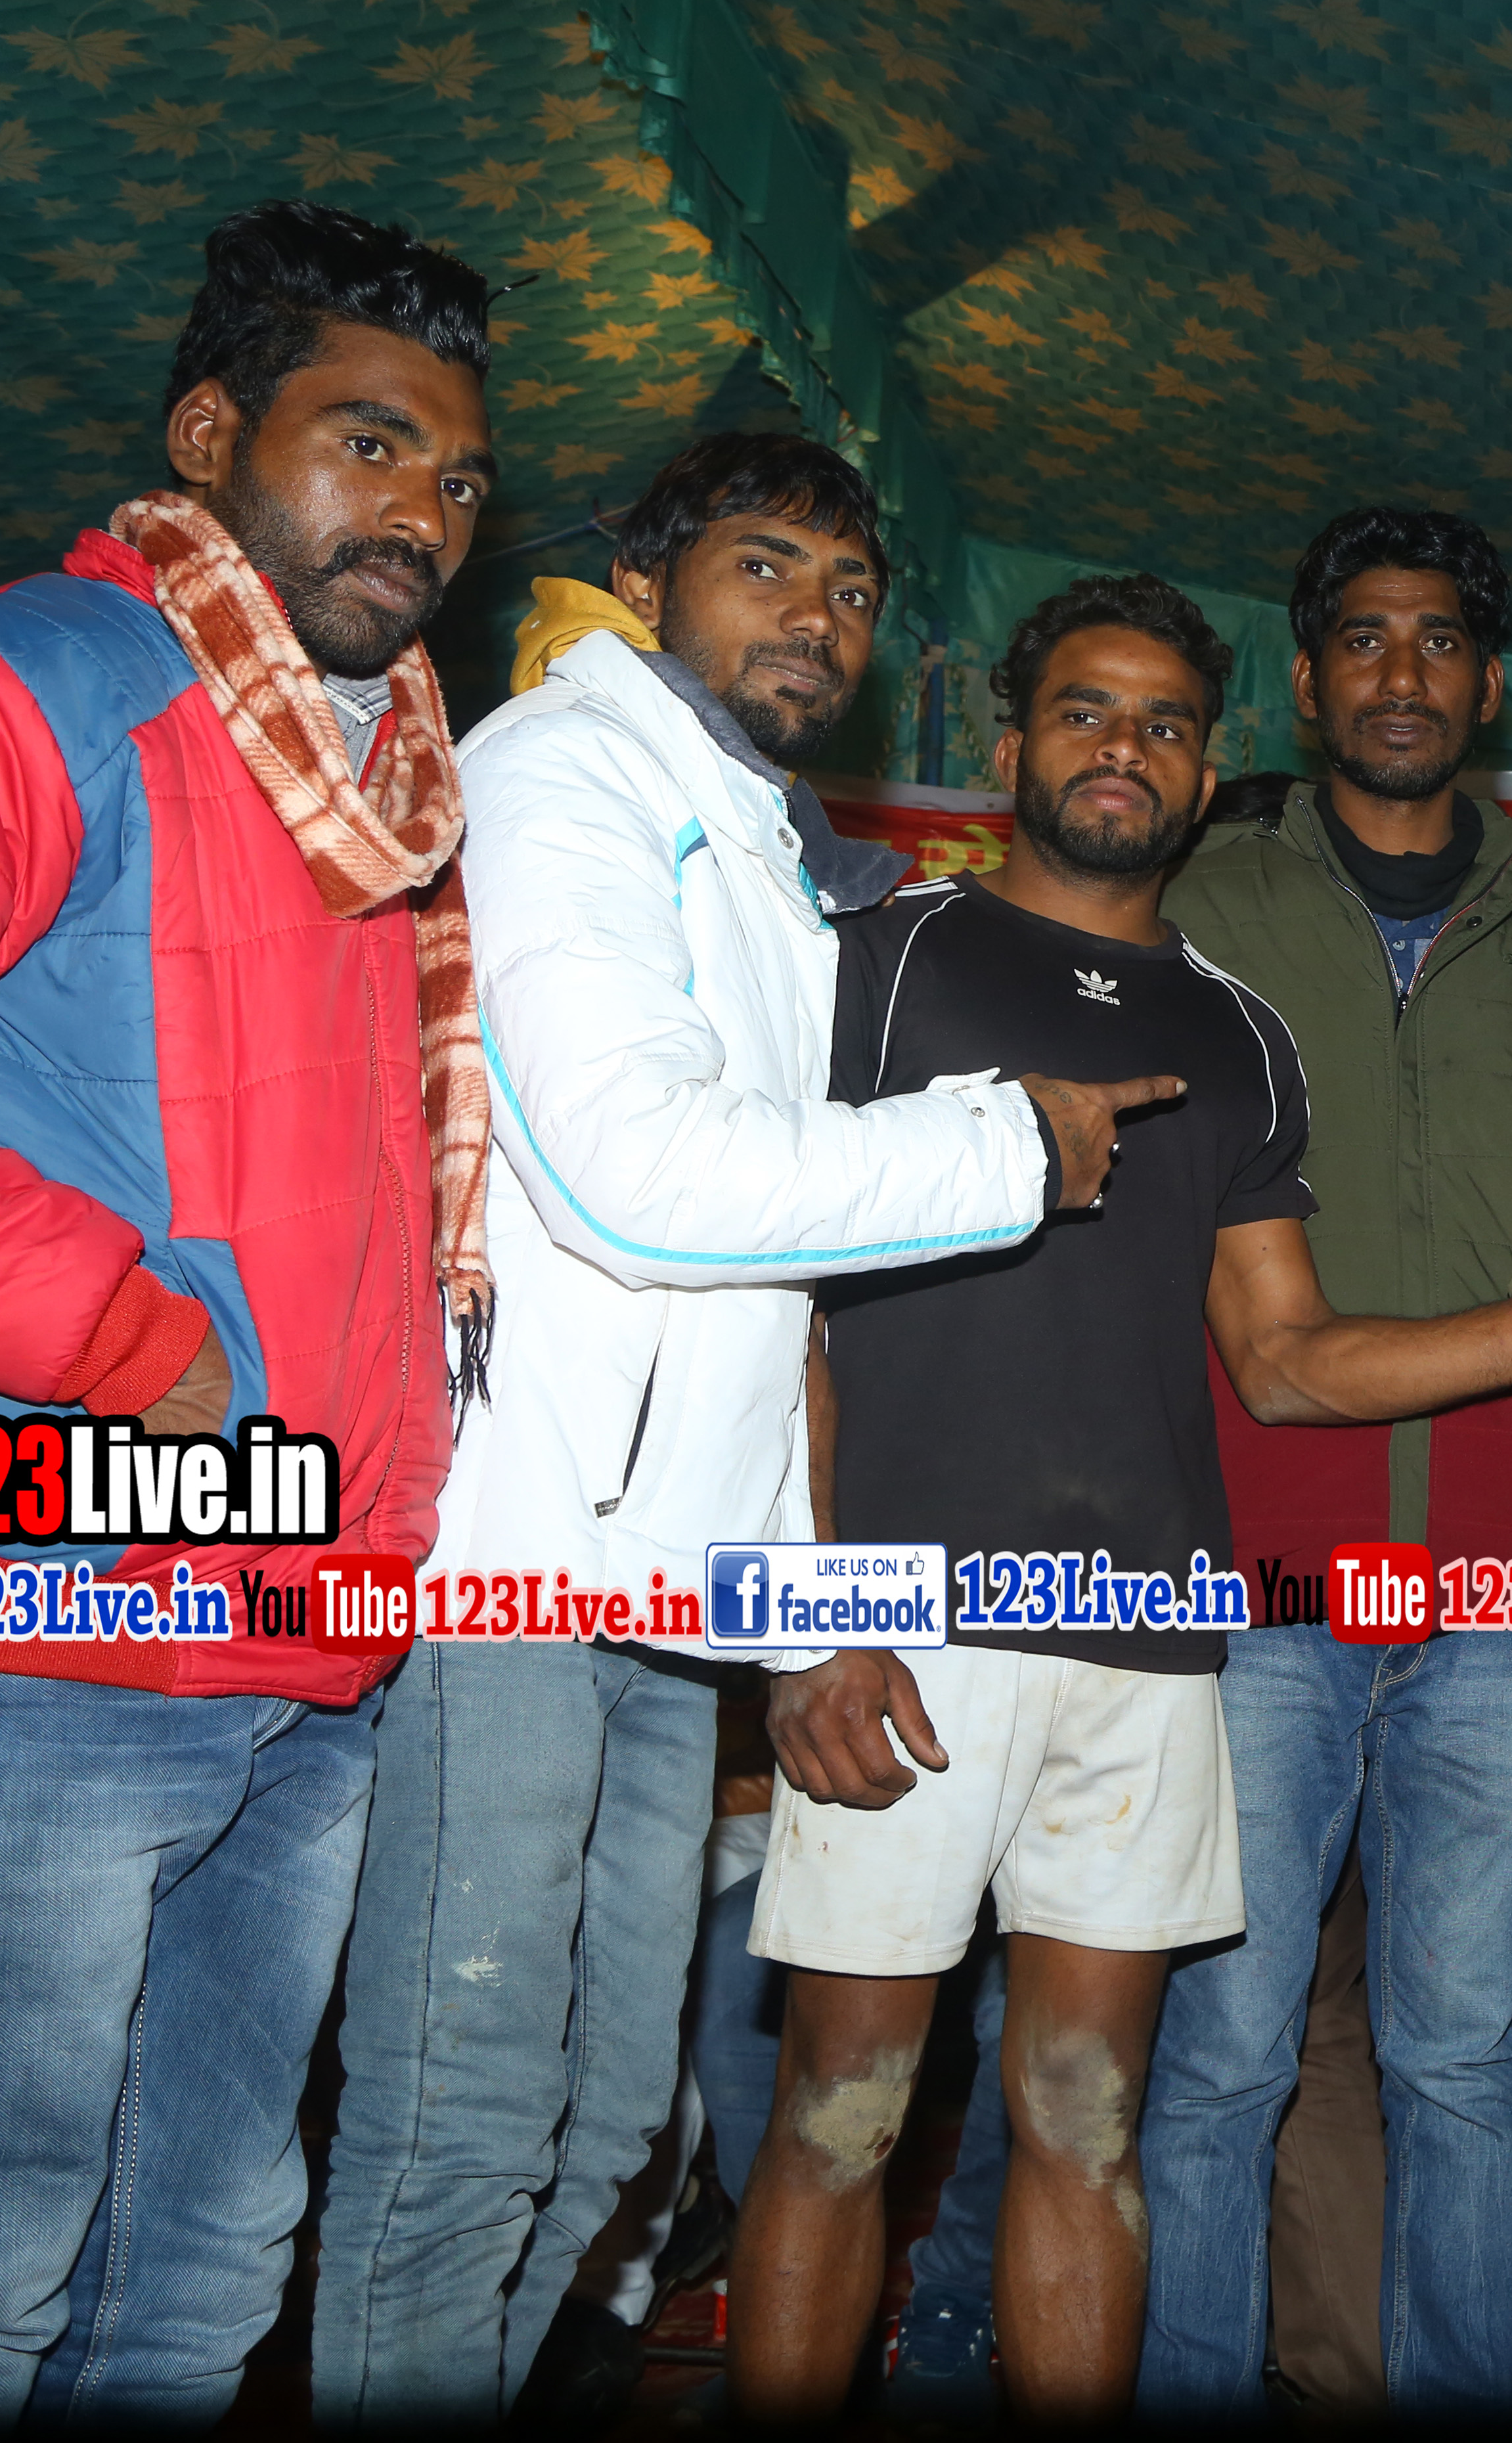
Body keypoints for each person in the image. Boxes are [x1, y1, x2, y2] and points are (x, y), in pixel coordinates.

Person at [724, 572, 1512, 2423]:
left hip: (1153, 1649)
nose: (1126, 749)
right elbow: (768, 1309)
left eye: (1168, 724)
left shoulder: (1237, 1034)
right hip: (906, 1635)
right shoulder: (877, 962)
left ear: (1208, 771)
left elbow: (1285, 1358)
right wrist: (814, 1622)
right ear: (1009, 746)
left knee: (1091, 2114)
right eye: (1086, 712)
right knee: (843, 2114)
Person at [0, 200, 485, 2421]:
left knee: (199, 2289)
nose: (420, 511)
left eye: (457, 476)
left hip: (305, 1644)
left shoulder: (380, 794)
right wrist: (122, 1341)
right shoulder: (17, 682)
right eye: (366, 442)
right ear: (211, 434)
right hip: (44, 1615)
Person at [310, 434, 1167, 2426]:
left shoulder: (762, 844)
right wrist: (1002, 1142)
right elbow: (641, 1179)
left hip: (659, 1587)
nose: (818, 619)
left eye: (851, 589)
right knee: (464, 2124)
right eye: (767, 566)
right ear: (642, 580)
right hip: (514, 1561)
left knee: (608, 2123)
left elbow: (776, 1306)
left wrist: (795, 1611)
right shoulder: (566, 774)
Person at [1138, 509, 1512, 2415]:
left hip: (1511, 1580)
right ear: (1305, 678)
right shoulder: (1204, 896)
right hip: (1263, 1565)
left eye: (1438, 640)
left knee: (1455, 2058)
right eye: (1362, 637)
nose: (1401, 673)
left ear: (1487, 683)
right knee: (1222, 2057)